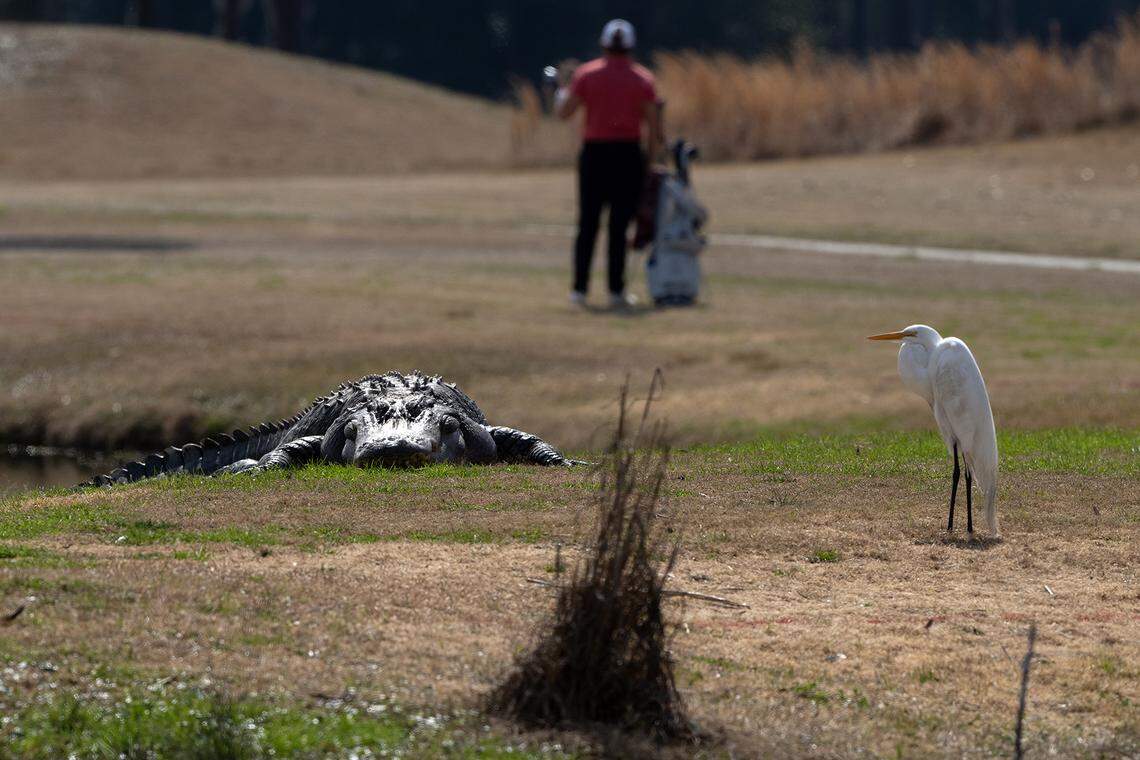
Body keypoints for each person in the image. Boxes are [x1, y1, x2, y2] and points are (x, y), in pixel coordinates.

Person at [555, 19, 663, 309]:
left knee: (588, 224)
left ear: (604, 44)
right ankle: (616, 291)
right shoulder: (643, 79)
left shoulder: (586, 75)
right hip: (628, 156)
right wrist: (650, 162)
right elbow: (654, 126)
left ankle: (579, 290)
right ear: (630, 46)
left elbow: (564, 113)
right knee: (619, 227)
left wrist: (562, 89)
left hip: (595, 155)